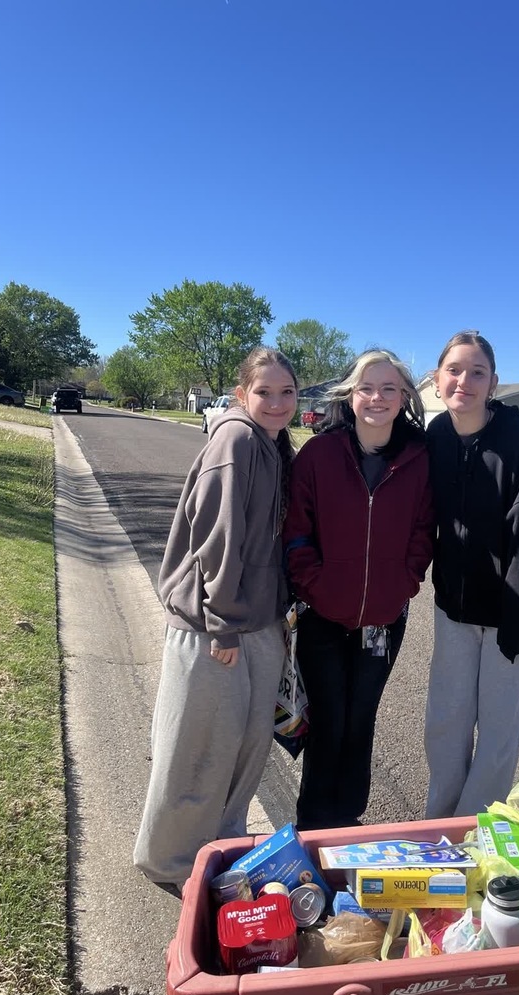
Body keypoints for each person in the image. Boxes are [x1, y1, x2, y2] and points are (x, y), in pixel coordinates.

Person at [133, 347, 298, 889]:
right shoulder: (237, 439)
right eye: (264, 392)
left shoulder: (274, 446)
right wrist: (222, 622)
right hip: (214, 627)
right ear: (240, 395)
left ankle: (217, 851)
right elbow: (217, 537)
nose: (276, 403)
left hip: (257, 626)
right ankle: (171, 862)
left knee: (243, 752)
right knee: (196, 752)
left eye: (286, 392)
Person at [283, 350, 435, 831]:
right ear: (349, 395)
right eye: (367, 388)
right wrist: (317, 586)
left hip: (384, 621)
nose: (377, 398)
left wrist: (403, 583)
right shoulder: (320, 455)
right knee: (328, 720)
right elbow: (296, 532)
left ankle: (348, 821)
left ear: (404, 397)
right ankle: (313, 826)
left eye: (389, 389)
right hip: (323, 617)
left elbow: (423, 530)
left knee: (361, 719)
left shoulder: (418, 457)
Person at [424, 330, 519, 819]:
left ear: (494, 383)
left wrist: (517, 624)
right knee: (446, 723)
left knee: (497, 733)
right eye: (454, 370)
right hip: (455, 610)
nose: (465, 380)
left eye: (477, 372)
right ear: (437, 380)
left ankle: (473, 833)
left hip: (513, 610)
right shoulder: (435, 437)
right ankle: (439, 826)